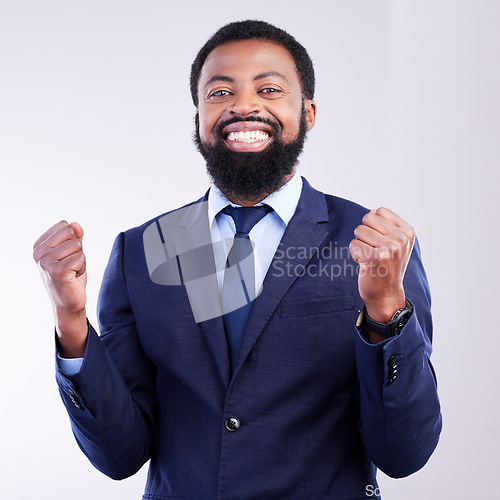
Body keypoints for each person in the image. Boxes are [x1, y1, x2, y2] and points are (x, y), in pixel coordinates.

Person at [33, 20, 441, 500]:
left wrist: (387, 311)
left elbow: (404, 454)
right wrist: (70, 321)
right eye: (220, 92)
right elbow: (120, 456)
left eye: (268, 88)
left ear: (308, 112)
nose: (243, 105)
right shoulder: (142, 250)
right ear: (199, 116)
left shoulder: (373, 245)